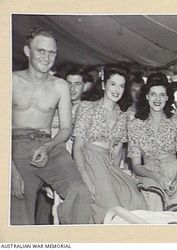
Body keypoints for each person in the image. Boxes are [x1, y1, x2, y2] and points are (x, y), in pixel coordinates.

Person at [11, 27, 91, 225]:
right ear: (28, 52)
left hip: (50, 147)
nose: (47, 57)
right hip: (15, 149)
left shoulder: (60, 85)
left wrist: (47, 147)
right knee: (19, 209)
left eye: (52, 52)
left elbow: (66, 129)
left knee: (79, 191)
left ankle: (72, 240)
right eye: (41, 51)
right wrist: (9, 171)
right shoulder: (10, 81)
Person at [73, 65, 147, 223]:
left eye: (121, 85)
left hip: (109, 165)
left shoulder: (123, 115)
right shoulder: (87, 108)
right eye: (113, 84)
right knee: (112, 208)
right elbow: (78, 147)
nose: (117, 89)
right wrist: (84, 175)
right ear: (103, 84)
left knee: (136, 198)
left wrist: (113, 173)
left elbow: (118, 149)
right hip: (89, 161)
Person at [128, 73, 177, 210]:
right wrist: (157, 177)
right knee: (154, 203)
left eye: (162, 95)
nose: (157, 99)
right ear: (147, 96)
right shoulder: (134, 125)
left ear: (167, 98)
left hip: (176, 172)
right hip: (148, 173)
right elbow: (136, 165)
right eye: (153, 94)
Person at [35, 67, 90, 225]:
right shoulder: (53, 107)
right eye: (68, 84)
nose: (72, 89)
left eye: (77, 84)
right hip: (56, 159)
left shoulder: (89, 109)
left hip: (81, 160)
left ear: (84, 86)